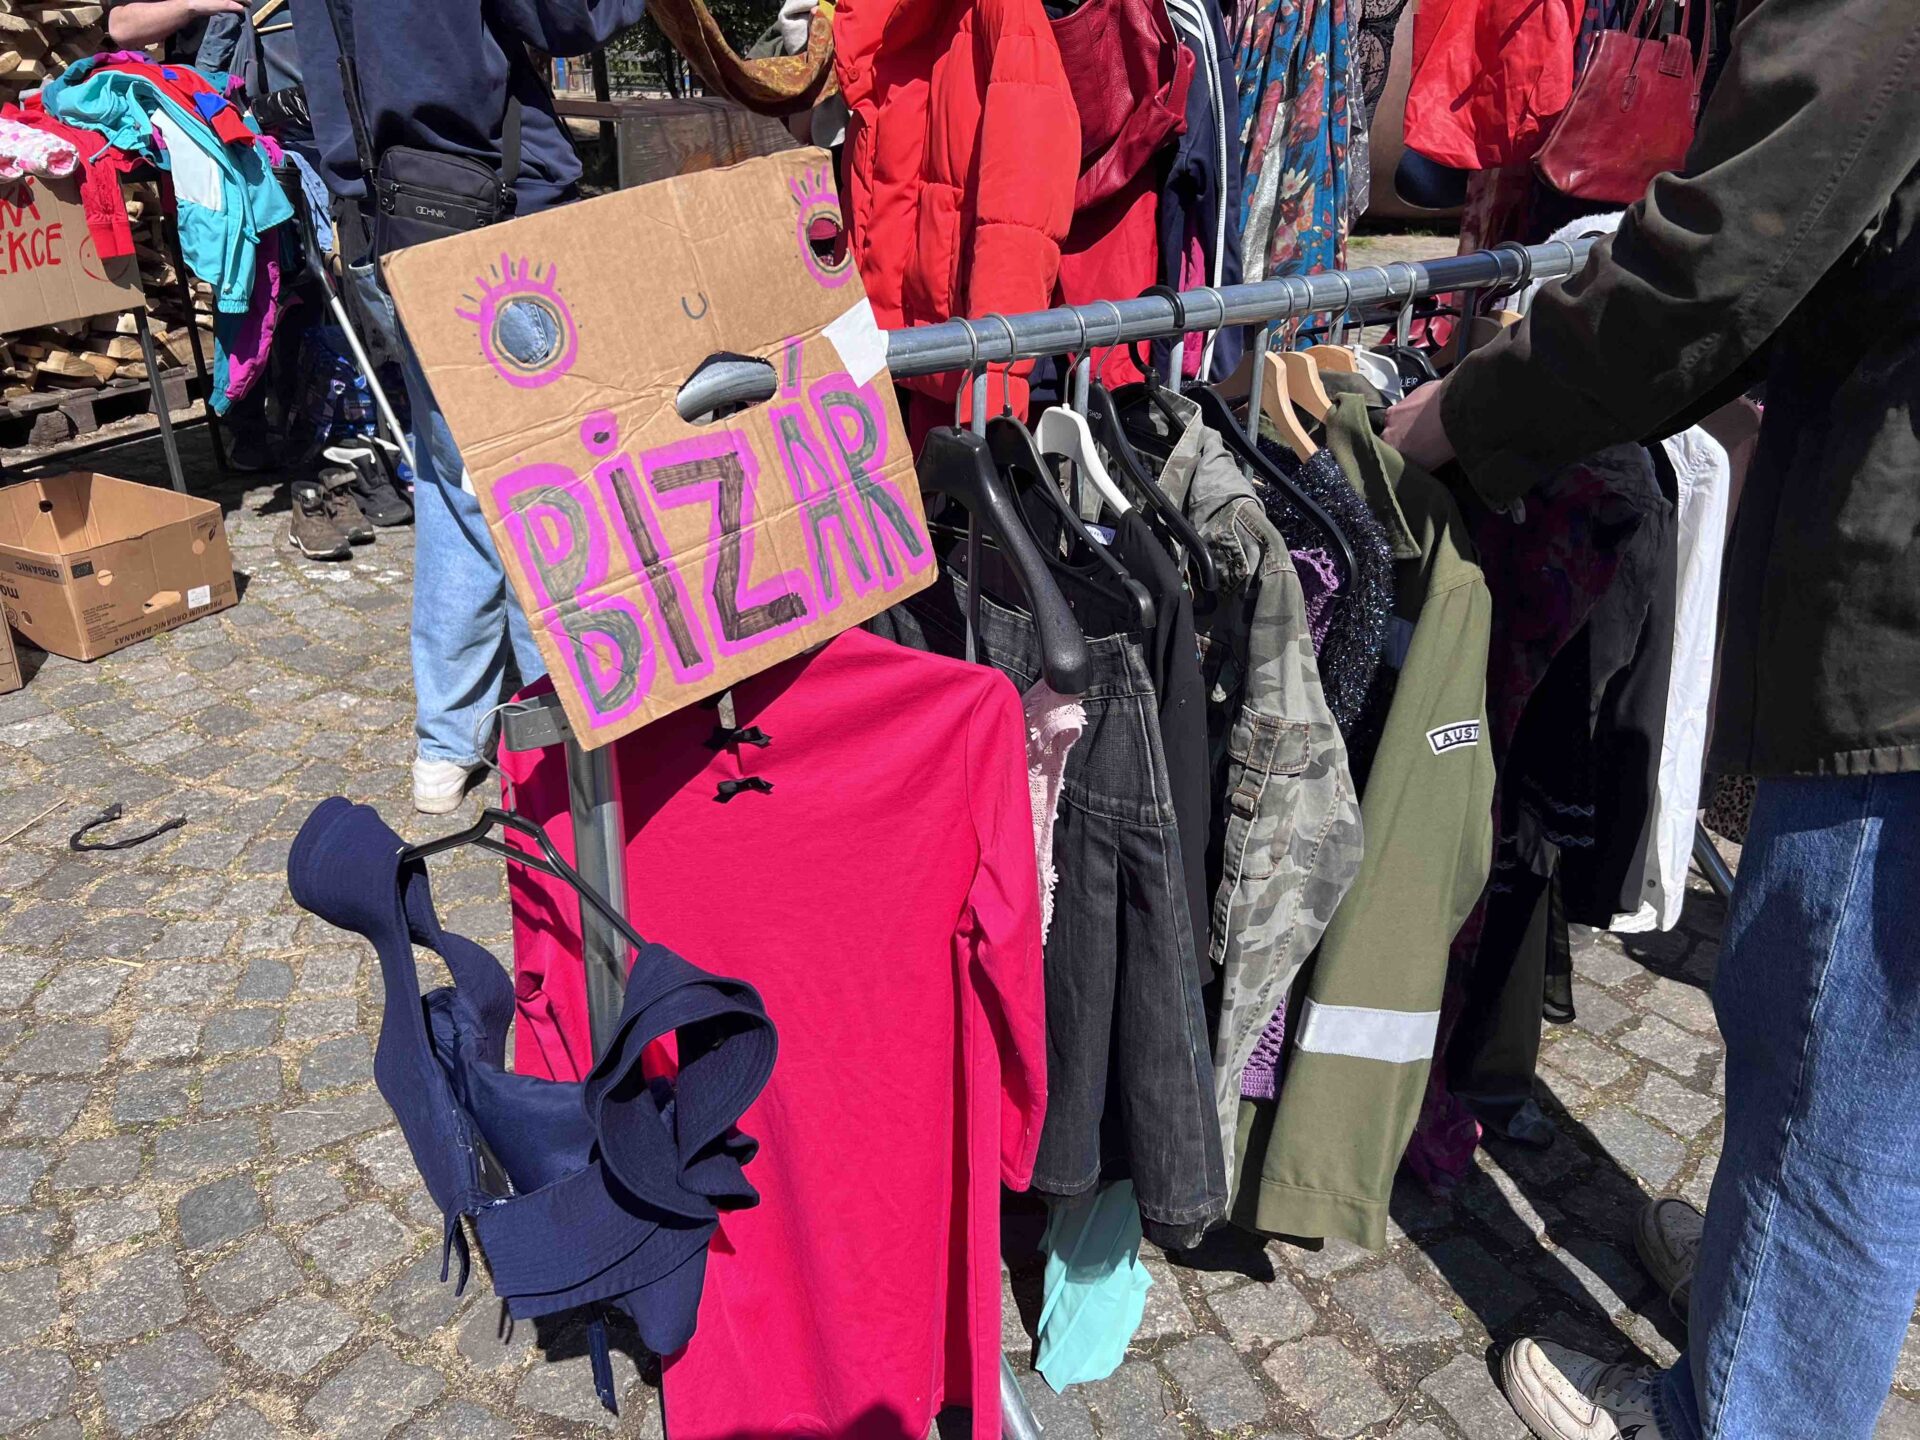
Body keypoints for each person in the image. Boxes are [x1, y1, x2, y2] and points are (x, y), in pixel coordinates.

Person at [1382, 0, 1920, 1436]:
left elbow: (1728, 252)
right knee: (1873, 1069)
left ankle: (1742, 1406)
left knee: (1833, 1067)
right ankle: (1771, 1310)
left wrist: (1466, 413)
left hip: (1905, 620)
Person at [290, 0, 645, 812]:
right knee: (536, 481)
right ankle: (565, 745)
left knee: (457, 486)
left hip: (378, 220)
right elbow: (570, 19)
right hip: (491, 218)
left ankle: (448, 745)